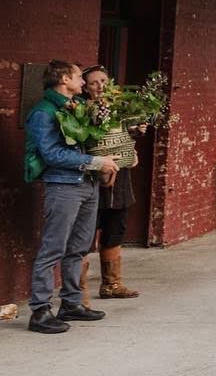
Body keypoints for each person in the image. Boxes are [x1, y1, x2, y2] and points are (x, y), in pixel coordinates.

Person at [26, 60, 117, 334]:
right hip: (63, 186)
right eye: (79, 77)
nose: (83, 81)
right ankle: (40, 310)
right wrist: (95, 161)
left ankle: (71, 303)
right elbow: (51, 154)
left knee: (78, 248)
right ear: (64, 79)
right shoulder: (44, 112)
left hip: (87, 184)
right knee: (52, 248)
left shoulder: (75, 107)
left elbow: (84, 141)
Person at [81, 65, 140, 300]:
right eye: (94, 82)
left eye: (104, 81)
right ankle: (79, 291)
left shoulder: (119, 109)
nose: (100, 87)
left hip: (120, 178)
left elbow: (125, 138)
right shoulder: (81, 110)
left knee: (116, 229)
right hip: (91, 179)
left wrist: (135, 131)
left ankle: (112, 284)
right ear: (85, 86)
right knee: (84, 235)